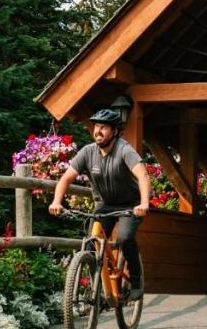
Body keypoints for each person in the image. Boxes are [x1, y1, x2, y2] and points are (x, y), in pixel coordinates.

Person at [48, 108, 151, 301]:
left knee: (125, 238)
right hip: (104, 204)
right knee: (92, 241)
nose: (98, 131)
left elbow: (142, 175)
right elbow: (65, 178)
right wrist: (56, 201)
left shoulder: (124, 150)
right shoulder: (87, 152)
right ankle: (96, 287)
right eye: (96, 127)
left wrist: (144, 203)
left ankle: (136, 280)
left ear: (114, 131)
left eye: (103, 127)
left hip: (130, 204)